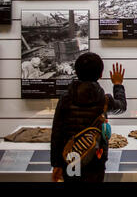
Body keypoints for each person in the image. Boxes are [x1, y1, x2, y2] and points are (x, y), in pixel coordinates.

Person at [51, 52, 127, 182]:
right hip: (95, 158)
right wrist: (118, 84)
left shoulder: (66, 98)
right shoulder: (104, 100)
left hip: (71, 157)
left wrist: (56, 164)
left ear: (76, 71)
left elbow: (57, 133)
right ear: (101, 74)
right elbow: (121, 106)